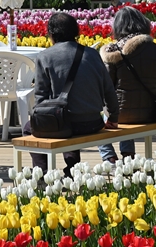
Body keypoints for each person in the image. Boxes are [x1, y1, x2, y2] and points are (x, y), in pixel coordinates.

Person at [25, 12, 118, 175]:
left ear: (51, 34)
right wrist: (113, 118)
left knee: (29, 128)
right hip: (93, 122)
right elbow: (109, 89)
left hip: (66, 124)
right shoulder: (92, 54)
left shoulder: (45, 56)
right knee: (65, 119)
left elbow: (40, 97)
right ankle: (72, 169)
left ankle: (42, 173)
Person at [97, 7, 156, 163]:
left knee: (99, 117)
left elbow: (106, 88)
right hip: (152, 112)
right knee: (125, 107)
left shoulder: (113, 51)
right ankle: (128, 155)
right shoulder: (155, 49)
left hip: (122, 114)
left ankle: (109, 157)